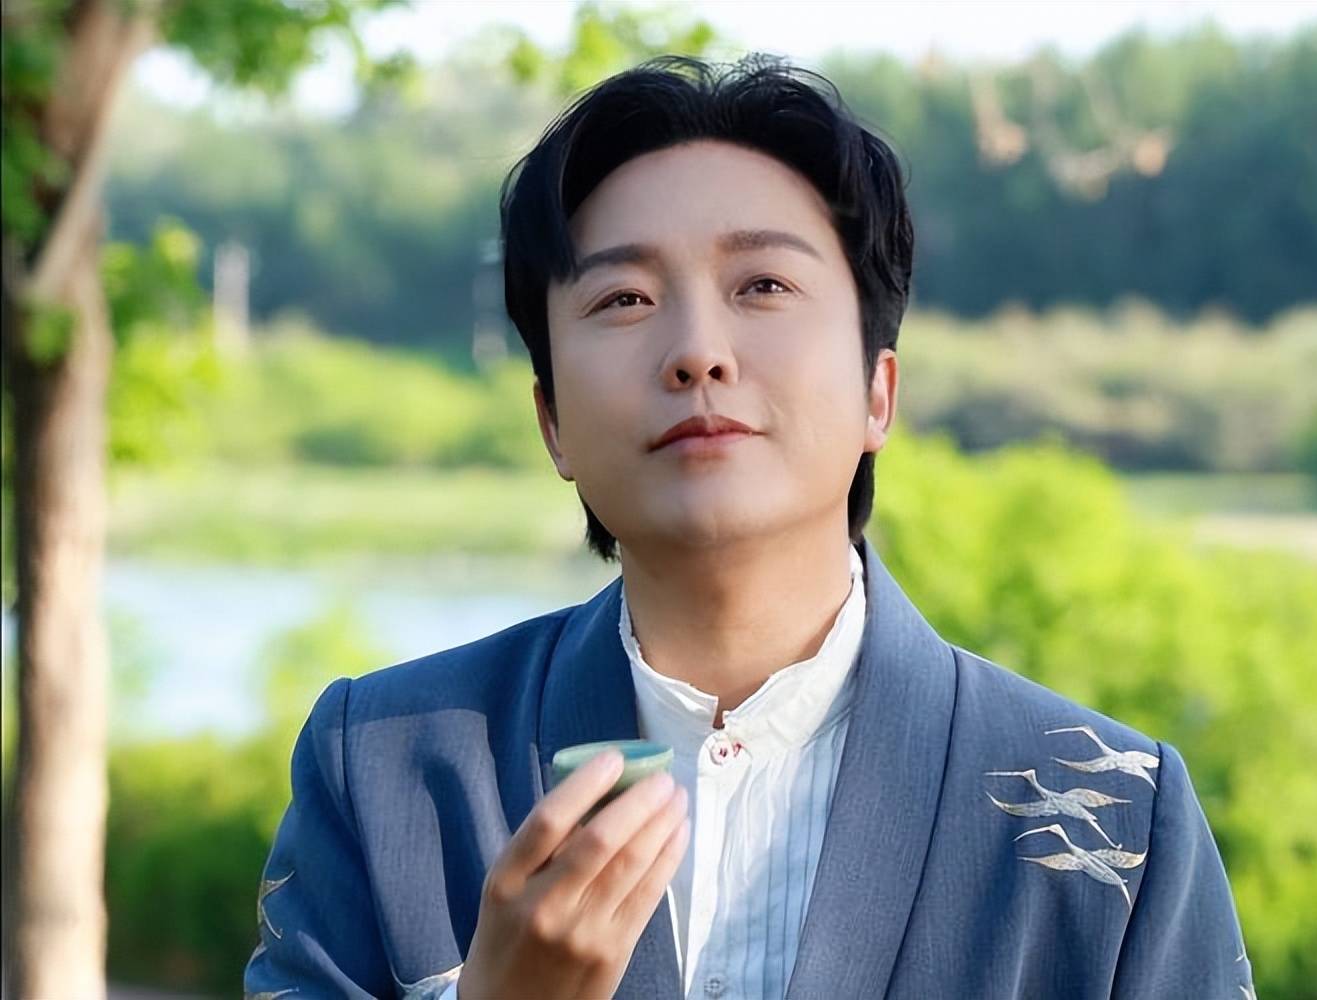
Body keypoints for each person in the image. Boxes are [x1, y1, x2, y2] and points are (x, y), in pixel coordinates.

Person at [243, 55, 1253, 1000]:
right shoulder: (384, 766)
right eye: (625, 297)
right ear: (551, 420)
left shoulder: (1117, 814)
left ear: (877, 391)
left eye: (762, 286)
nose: (697, 352)